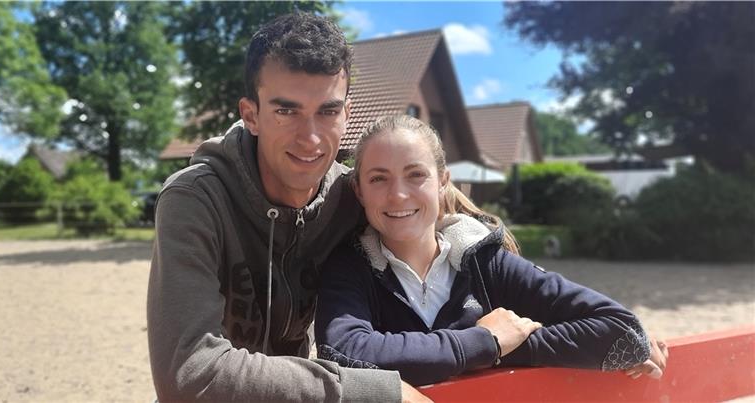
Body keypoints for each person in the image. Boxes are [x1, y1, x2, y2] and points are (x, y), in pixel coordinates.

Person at [147, 14, 429, 402]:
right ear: (251, 115)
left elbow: (433, 216)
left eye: (327, 111)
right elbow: (190, 375)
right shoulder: (195, 200)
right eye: (286, 111)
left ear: (347, 113)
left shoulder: (351, 196)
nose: (310, 138)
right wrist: (376, 393)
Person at [315, 115, 668, 386]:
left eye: (415, 175)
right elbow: (344, 354)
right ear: (359, 191)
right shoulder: (347, 265)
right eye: (379, 178)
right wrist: (484, 343)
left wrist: (502, 347)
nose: (398, 195)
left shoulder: (488, 263)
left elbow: (622, 331)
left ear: (442, 182)